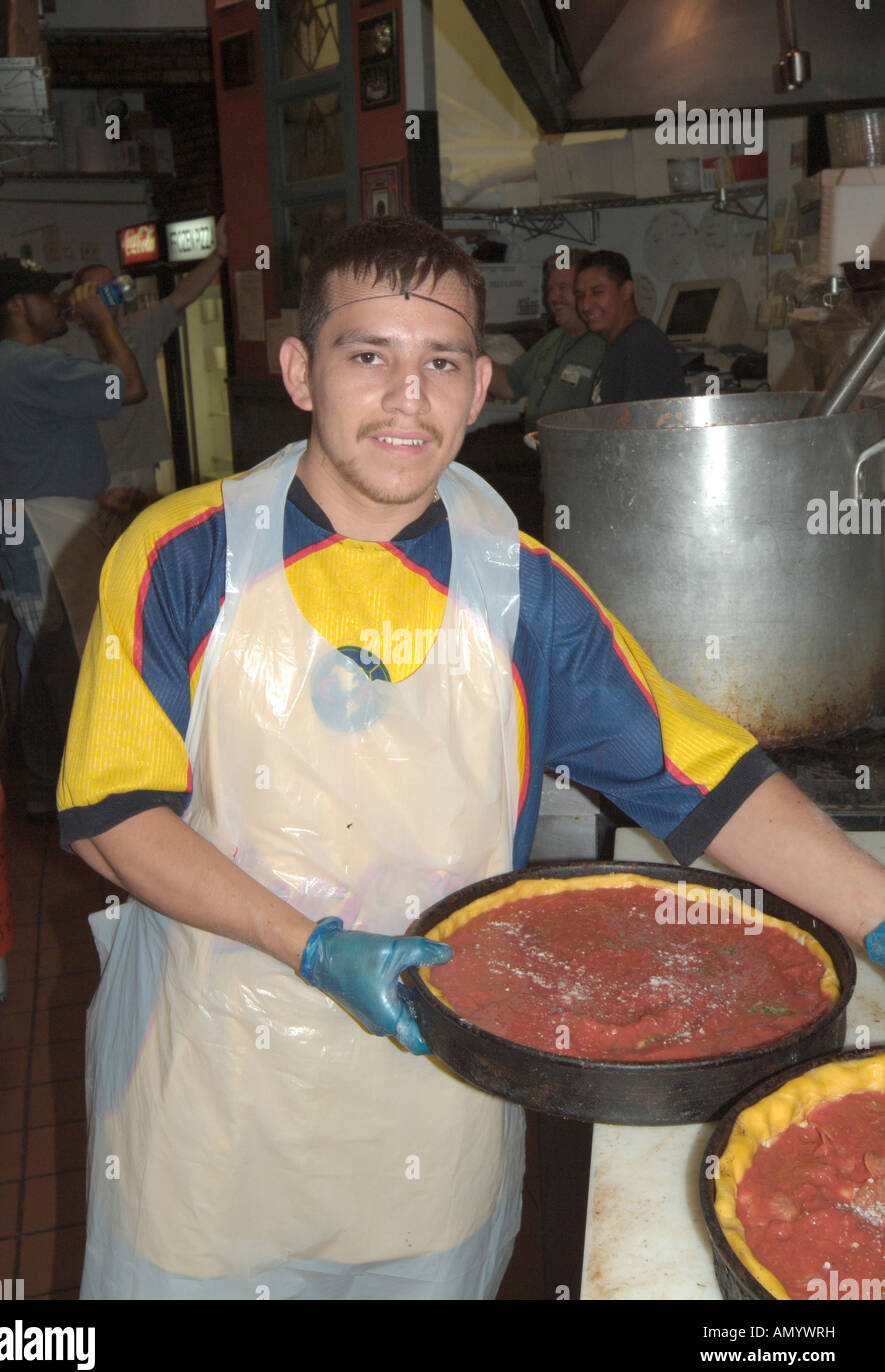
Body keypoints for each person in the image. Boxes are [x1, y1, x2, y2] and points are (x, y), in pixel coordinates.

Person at [58, 215, 885, 1301]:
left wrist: (874, 908)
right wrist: (310, 948)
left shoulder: (521, 591)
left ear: (479, 382)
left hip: (433, 1119)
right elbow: (114, 820)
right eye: (370, 356)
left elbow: (703, 778)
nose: (409, 397)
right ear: (301, 371)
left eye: (439, 362)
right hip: (212, 1124)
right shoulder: (179, 556)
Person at [0, 258, 146, 817]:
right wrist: (104, 326)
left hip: (39, 521)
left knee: (43, 655)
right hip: (43, 531)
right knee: (64, 660)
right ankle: (72, 798)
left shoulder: (8, 364)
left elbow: (40, 449)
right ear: (16, 308)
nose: (60, 303)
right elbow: (131, 387)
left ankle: (44, 792)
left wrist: (90, 495)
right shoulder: (30, 363)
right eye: (45, 296)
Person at [60, 213, 228, 519]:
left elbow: (181, 296)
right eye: (99, 292)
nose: (111, 298)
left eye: (114, 288)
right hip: (96, 474)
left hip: (143, 464)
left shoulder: (136, 329)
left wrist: (219, 254)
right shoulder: (63, 345)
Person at [486, 252, 605, 425]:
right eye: (551, 289)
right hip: (537, 447)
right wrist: (468, 348)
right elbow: (509, 384)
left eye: (563, 287)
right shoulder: (552, 340)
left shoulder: (604, 346)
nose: (553, 297)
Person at [574, 249, 686, 405]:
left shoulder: (643, 346)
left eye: (597, 292)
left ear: (626, 290)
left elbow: (641, 425)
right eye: (580, 296)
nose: (586, 306)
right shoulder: (624, 343)